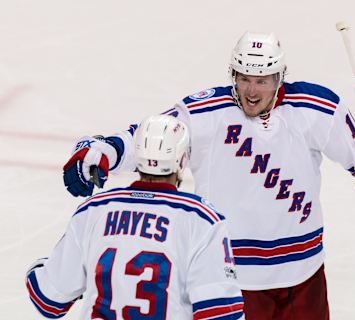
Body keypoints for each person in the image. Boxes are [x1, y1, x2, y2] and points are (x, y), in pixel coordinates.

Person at [62, 32, 355, 319]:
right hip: (230, 280)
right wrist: (106, 150)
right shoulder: (205, 112)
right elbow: (152, 134)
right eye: (244, 78)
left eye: (263, 80)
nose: (252, 91)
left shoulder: (316, 108)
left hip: (303, 275)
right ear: (232, 74)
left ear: (279, 77)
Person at [27, 115, 245, 319]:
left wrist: (39, 267)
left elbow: (48, 301)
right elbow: (221, 313)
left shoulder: (94, 210)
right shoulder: (203, 220)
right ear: (181, 161)